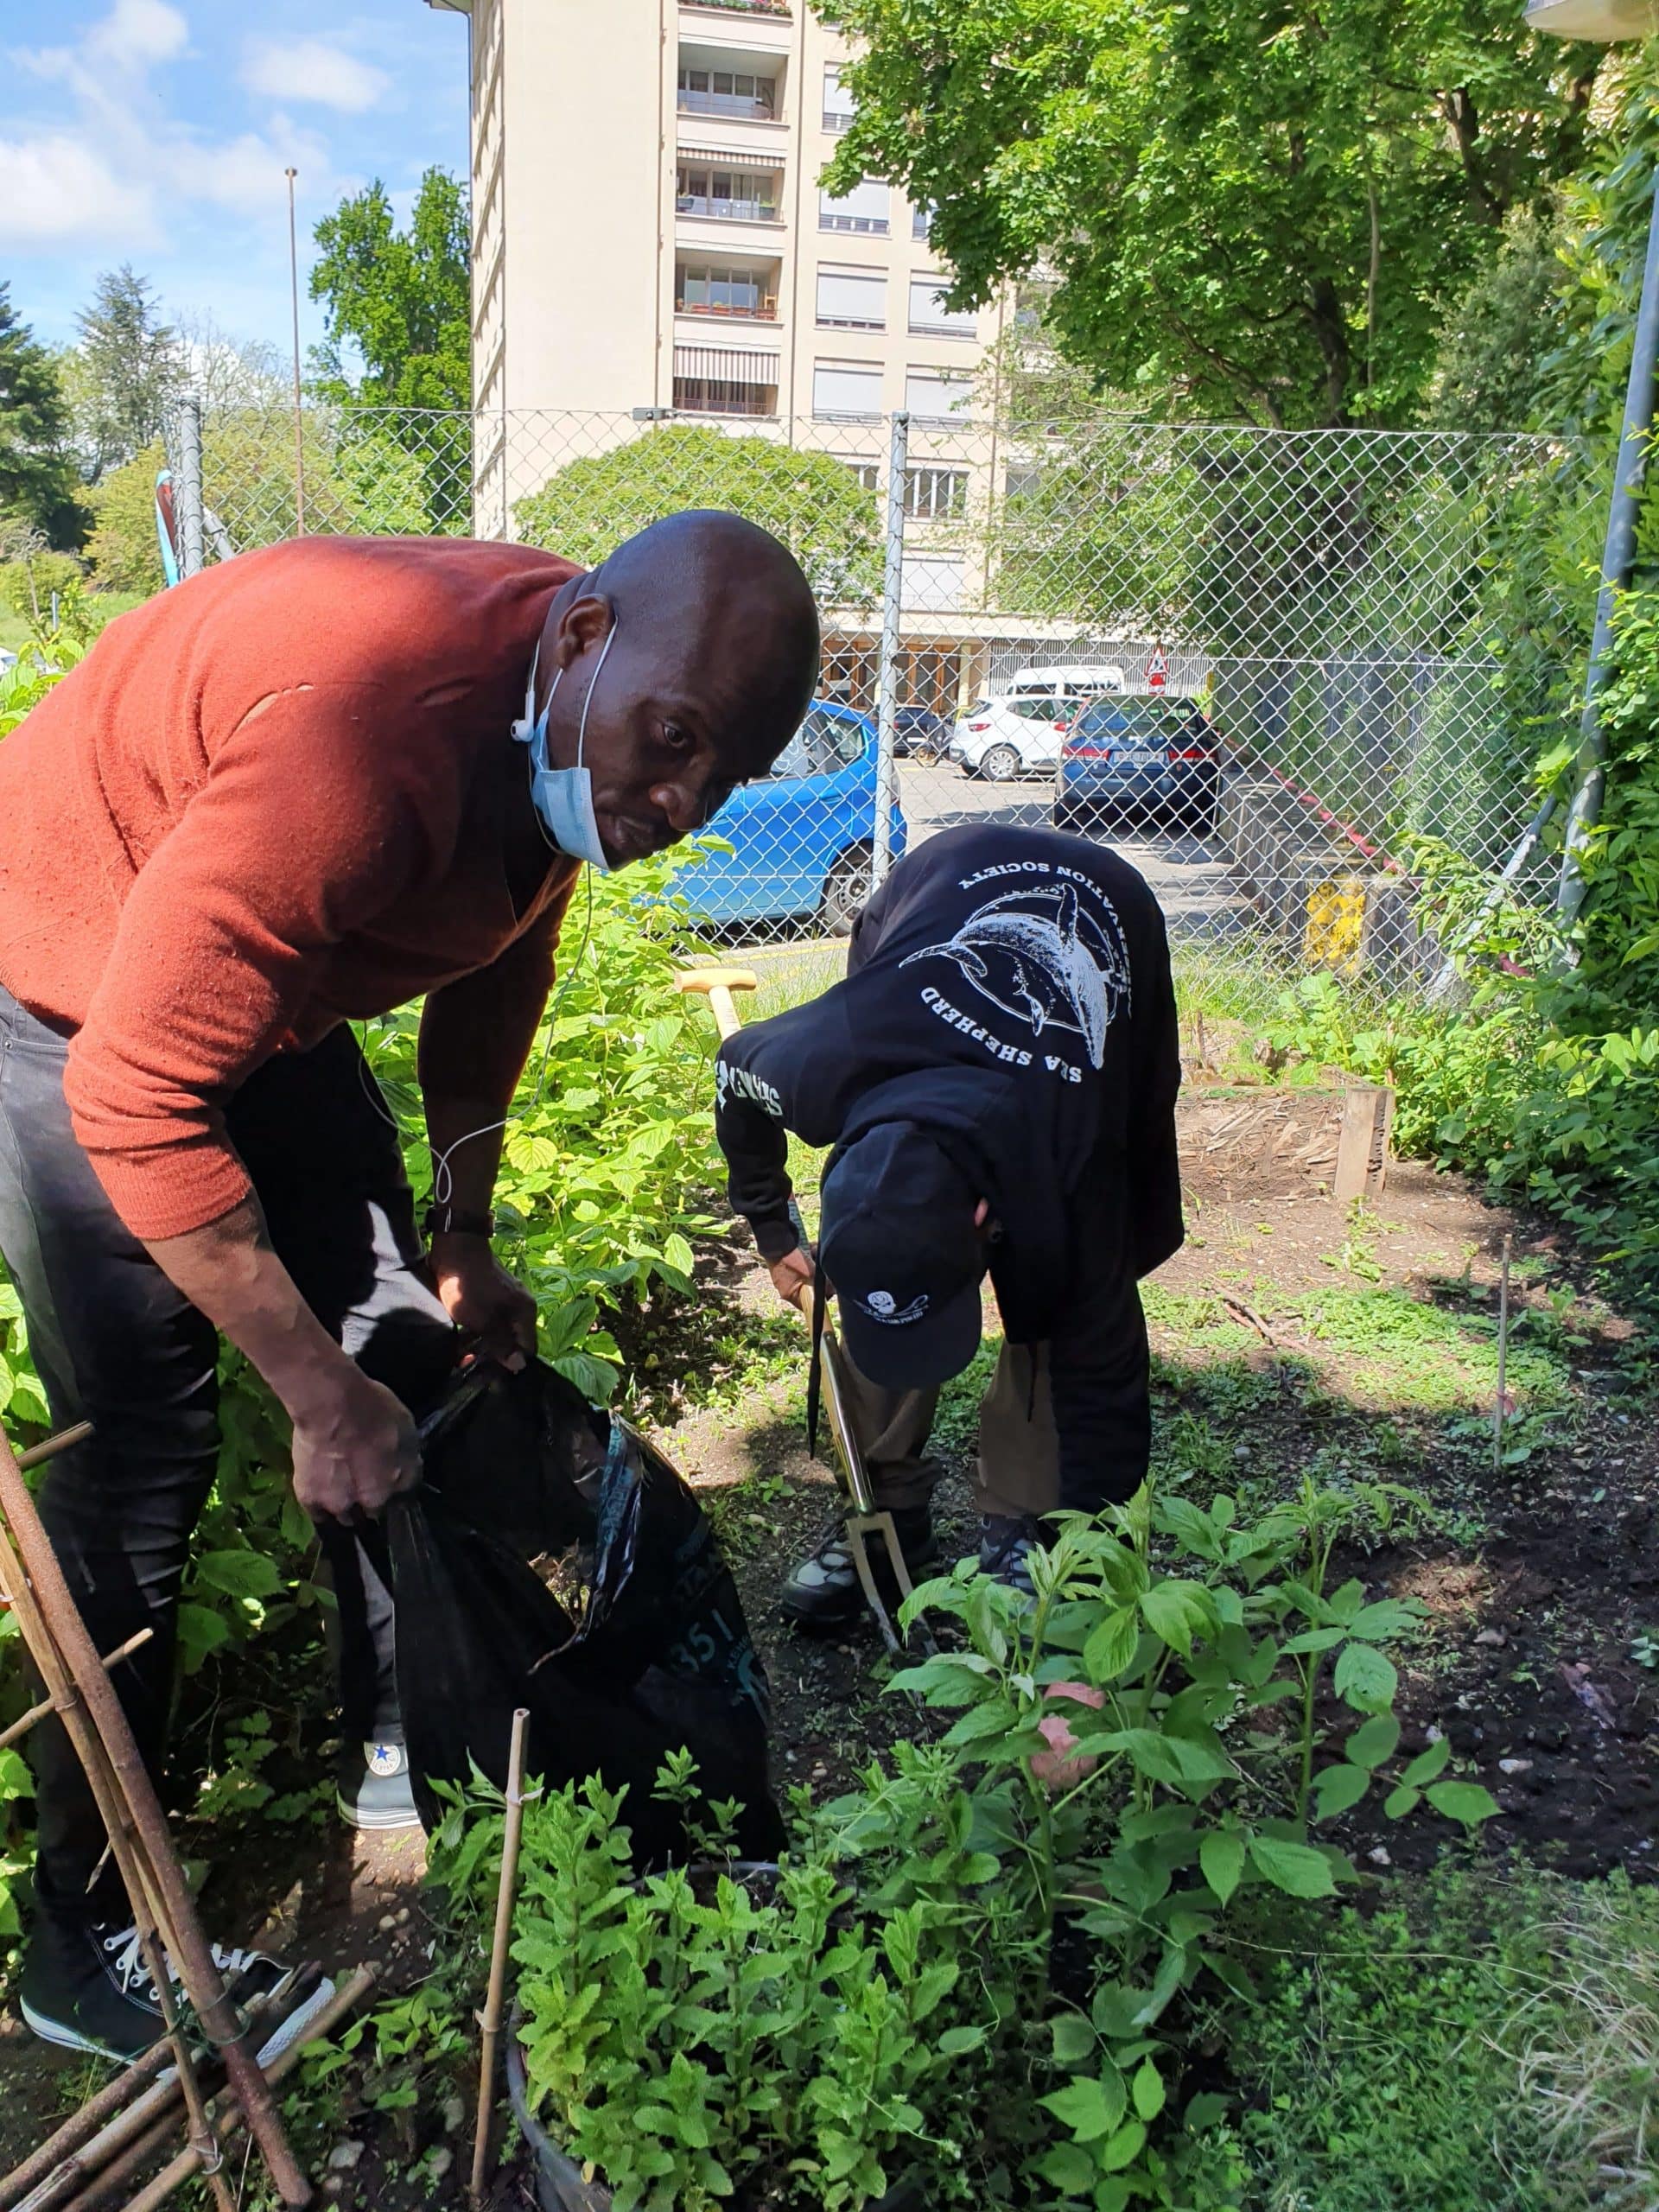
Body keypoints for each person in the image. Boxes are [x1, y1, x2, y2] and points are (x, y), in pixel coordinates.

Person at [0, 512, 818, 2057]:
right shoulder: (370, 739)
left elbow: (497, 972)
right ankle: (80, 1939)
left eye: (725, 780)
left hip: (257, 992)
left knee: (400, 1339)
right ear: (585, 641)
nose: (682, 804)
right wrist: (313, 1398)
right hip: (71, 990)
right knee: (145, 1465)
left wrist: (465, 1236)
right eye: (675, 744)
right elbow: (137, 1096)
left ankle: (401, 1731)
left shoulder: (567, 728)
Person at [713, 823, 1181, 1628]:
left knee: (1058, 1311)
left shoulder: (1070, 1165)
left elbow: (1105, 1386)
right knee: (891, 1278)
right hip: (928, 892)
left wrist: (1093, 1557)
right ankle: (886, 1508)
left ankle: (1030, 1529)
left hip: (1111, 922)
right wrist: (776, 1233)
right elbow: (733, 1074)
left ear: (983, 1218)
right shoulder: (823, 1064)